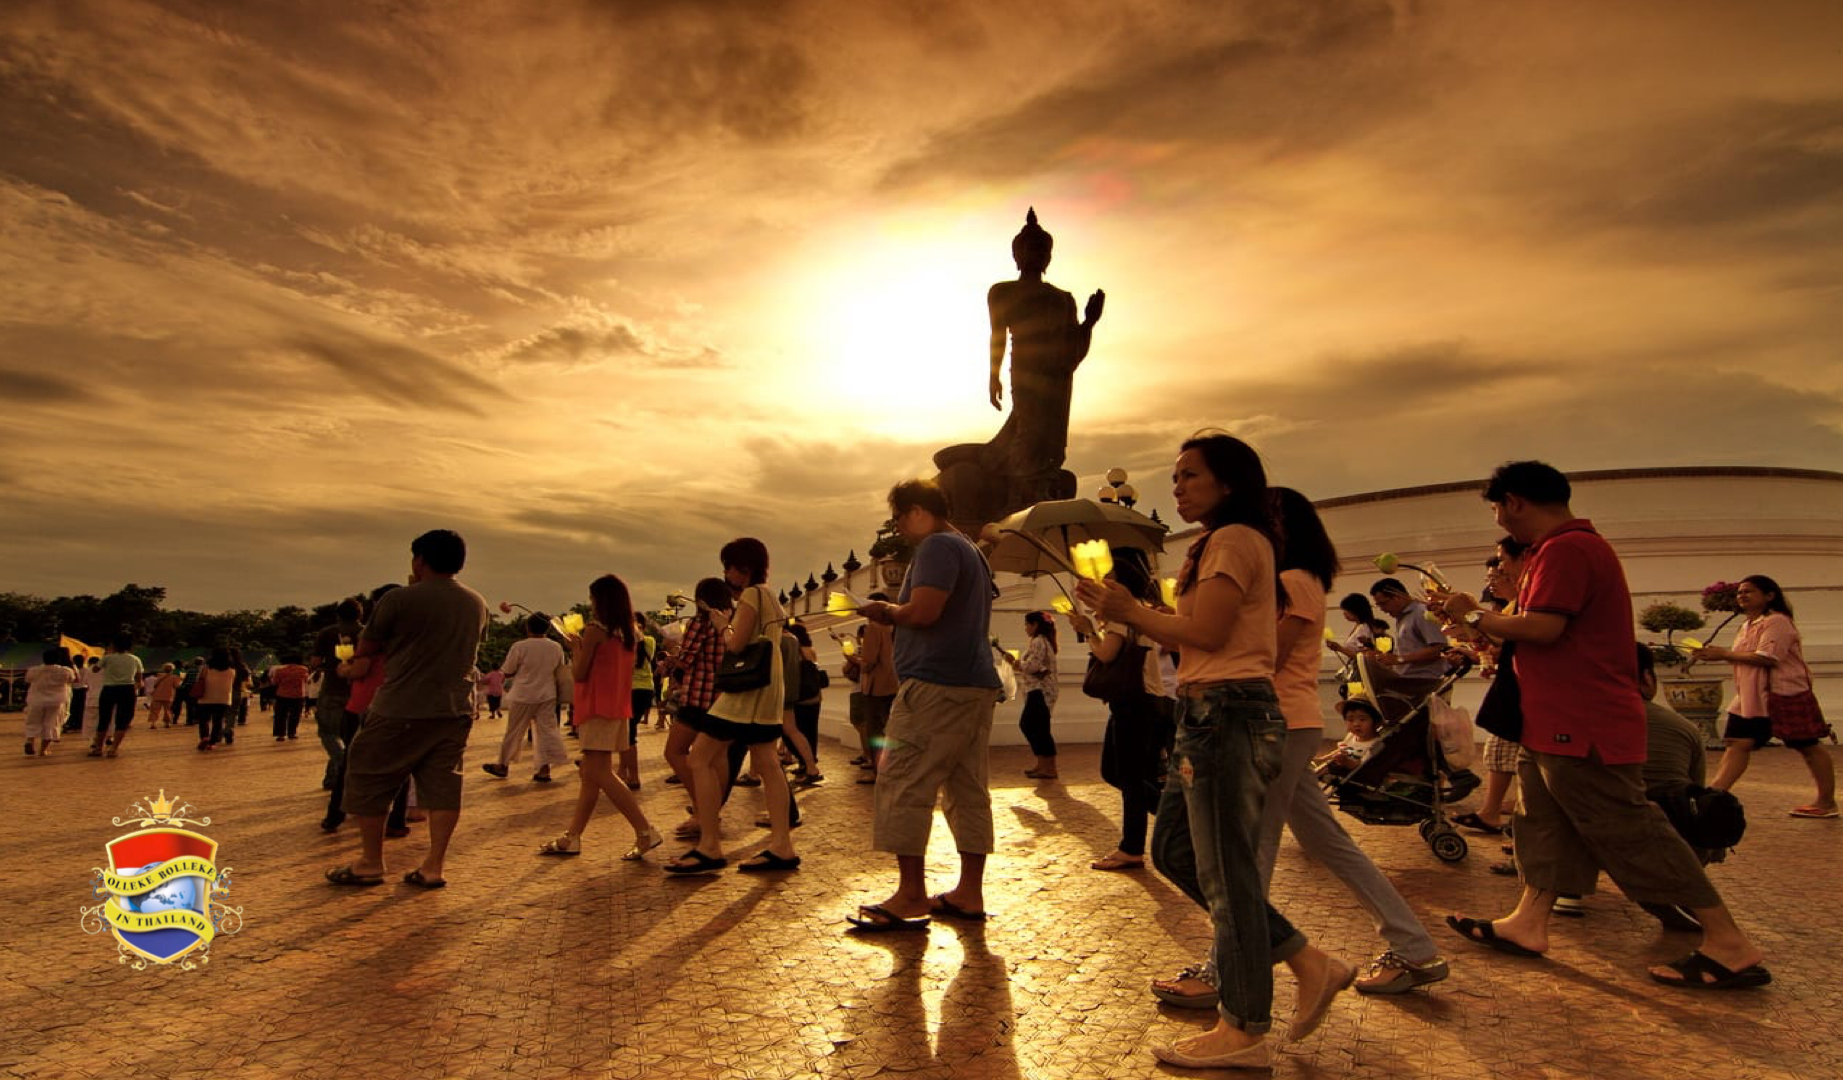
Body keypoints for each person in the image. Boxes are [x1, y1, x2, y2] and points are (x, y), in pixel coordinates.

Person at [1438, 461, 1769, 990]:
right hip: (1549, 718)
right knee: (1545, 822)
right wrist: (1477, 624)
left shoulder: (1569, 548)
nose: (1500, 521)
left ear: (1516, 501)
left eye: (1499, 508)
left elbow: (1544, 628)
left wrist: (1475, 614)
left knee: (1626, 827)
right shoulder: (1559, 550)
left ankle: (1728, 940)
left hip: (1581, 719)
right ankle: (1529, 921)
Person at [1078, 434, 1352, 1068]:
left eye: (1190, 476)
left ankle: (1246, 1028)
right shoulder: (1218, 543)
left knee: (1225, 875)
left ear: (1230, 484)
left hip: (1230, 711)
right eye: (1175, 477)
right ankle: (1309, 962)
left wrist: (1134, 612)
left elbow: (1206, 633)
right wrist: (1127, 610)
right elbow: (1196, 640)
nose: (1177, 487)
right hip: (1206, 710)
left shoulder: (1233, 539)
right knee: (1174, 850)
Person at [1256, 487, 1449, 997]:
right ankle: (1413, 946)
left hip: (1278, 724)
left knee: (1252, 852)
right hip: (1288, 723)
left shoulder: (1292, 582)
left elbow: (1262, 660)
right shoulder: (1293, 582)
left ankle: (1228, 967)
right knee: (1328, 843)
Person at [848, 479, 1002, 930]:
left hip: (934, 686)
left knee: (901, 779)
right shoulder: (969, 550)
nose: (899, 526)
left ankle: (911, 893)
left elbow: (925, 611)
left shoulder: (936, 547)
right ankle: (968, 893)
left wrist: (886, 611)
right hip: (973, 684)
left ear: (916, 511)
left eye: (899, 516)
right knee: (967, 788)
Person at [325, 529, 488, 889]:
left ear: (419, 560)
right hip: (454, 708)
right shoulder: (476, 602)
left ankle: (370, 861)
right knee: (444, 786)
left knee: (368, 775)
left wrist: (411, 590)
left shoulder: (399, 600)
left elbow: (366, 648)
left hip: (401, 705)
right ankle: (433, 866)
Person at [668, 538, 800, 875]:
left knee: (699, 758)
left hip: (745, 694)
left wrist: (721, 626)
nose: (727, 574)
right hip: (769, 689)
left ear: (744, 566)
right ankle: (782, 845)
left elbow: (736, 644)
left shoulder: (753, 595)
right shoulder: (770, 596)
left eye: (729, 566)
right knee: (768, 762)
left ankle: (710, 845)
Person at [537, 575, 663, 861]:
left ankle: (645, 830)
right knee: (591, 775)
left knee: (599, 773)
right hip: (617, 706)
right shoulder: (631, 632)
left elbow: (580, 673)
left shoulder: (596, 630)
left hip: (595, 706)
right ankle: (573, 836)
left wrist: (576, 649)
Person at [1067, 547, 1173, 872]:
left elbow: (1107, 654)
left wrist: (1087, 631)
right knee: (1118, 772)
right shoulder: (1140, 611)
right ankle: (1176, 818)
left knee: (1127, 776)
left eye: (1109, 577)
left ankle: (1133, 847)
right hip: (1147, 700)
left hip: (1134, 703)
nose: (1104, 583)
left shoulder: (1121, 614)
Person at [1695, 575, 1836, 818]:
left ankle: (1826, 802)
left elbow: (1768, 657)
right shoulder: (1748, 624)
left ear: (1769, 596)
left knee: (1807, 745)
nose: (1742, 596)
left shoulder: (1777, 622)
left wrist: (1724, 655)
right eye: (1740, 592)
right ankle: (1714, 796)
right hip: (1749, 696)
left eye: (1749, 591)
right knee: (1738, 743)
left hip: (1783, 693)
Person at [1451, 537, 1532, 837]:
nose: (1498, 574)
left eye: (1501, 567)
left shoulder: (1529, 598)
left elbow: (1514, 636)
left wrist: (1472, 615)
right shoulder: (1519, 600)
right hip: (1517, 695)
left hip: (1525, 697)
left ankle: (1508, 821)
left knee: (1522, 765)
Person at [657, 578, 729, 826]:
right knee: (717, 758)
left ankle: (703, 806)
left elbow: (686, 660)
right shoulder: (729, 620)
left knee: (675, 752)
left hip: (698, 695)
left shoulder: (700, 623)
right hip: (721, 698)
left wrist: (673, 654)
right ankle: (711, 810)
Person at [484, 613, 571, 784]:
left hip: (523, 694)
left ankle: (503, 765)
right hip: (547, 694)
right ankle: (544, 770)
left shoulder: (520, 646)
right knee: (547, 732)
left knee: (514, 731)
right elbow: (559, 669)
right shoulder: (555, 647)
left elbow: (508, 670)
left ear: (528, 628)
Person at [311, 597, 365, 790]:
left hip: (333, 690)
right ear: (360, 614)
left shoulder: (327, 633)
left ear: (338, 614)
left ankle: (344, 765)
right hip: (360, 691)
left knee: (329, 733)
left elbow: (316, 661)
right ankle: (333, 778)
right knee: (352, 735)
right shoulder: (366, 632)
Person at [1006, 611, 1061, 779]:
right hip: (1039, 689)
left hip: (1040, 690)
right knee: (1037, 726)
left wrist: (1016, 663)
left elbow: (1033, 666)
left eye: (1027, 624)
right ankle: (1043, 764)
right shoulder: (1043, 642)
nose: (1025, 628)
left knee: (1032, 725)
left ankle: (1048, 765)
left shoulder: (1038, 641)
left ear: (1035, 625)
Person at [1368, 578, 1450, 679]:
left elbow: (1439, 648)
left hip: (1425, 680)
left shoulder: (1422, 613)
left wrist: (1399, 659)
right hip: (1410, 679)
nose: (1382, 609)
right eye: (1378, 605)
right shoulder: (1403, 617)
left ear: (1397, 597)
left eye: (1383, 603)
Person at [856, 593, 899, 782]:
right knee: (892, 730)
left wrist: (856, 661)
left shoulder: (873, 628)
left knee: (876, 731)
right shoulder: (897, 626)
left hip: (876, 686)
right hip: (895, 683)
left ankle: (878, 773)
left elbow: (869, 661)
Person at [88, 633, 144, 758]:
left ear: (114, 645)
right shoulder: (135, 659)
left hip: (109, 688)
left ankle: (98, 747)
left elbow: (95, 669)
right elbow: (139, 680)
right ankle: (113, 749)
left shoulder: (108, 658)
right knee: (122, 720)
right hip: (127, 689)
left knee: (104, 719)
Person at [619, 620, 659, 789]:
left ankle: (633, 776)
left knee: (629, 733)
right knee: (626, 731)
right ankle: (623, 770)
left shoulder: (645, 641)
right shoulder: (638, 641)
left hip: (635, 690)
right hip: (640, 690)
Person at [784, 622, 826, 786]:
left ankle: (806, 763)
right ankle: (807, 763)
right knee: (811, 732)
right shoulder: (811, 651)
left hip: (800, 697)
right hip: (815, 697)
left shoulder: (795, 650)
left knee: (793, 732)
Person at [24, 648, 79, 757]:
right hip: (56, 700)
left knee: (33, 721)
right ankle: (43, 750)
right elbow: (74, 679)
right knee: (51, 724)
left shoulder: (34, 670)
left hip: (36, 699)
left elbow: (27, 680)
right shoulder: (65, 671)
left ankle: (30, 741)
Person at [193, 648, 237, 751]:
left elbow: (198, 680)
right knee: (218, 721)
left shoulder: (205, 669)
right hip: (223, 699)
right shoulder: (232, 670)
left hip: (205, 698)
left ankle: (204, 737)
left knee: (204, 720)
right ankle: (212, 743)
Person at [269, 653, 310, 741]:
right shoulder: (304, 669)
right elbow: (306, 680)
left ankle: (281, 735)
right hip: (298, 695)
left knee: (281, 715)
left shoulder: (280, 670)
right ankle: (292, 733)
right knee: (295, 715)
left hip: (282, 695)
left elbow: (275, 682)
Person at [147, 663, 181, 729]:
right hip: (168, 695)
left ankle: (153, 724)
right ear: (172, 669)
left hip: (157, 695)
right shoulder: (174, 677)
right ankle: (167, 724)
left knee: (154, 710)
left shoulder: (159, 675)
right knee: (167, 710)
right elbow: (177, 686)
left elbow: (155, 685)